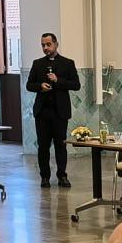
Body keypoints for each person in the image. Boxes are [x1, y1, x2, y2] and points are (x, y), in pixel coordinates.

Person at [26, 32, 80, 188]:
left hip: (60, 112)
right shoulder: (37, 64)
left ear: (56, 44)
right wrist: (40, 86)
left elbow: (76, 85)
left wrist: (58, 80)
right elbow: (29, 85)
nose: (45, 48)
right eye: (43, 45)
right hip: (42, 112)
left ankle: (62, 175)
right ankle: (44, 177)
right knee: (43, 147)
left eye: (48, 44)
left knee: (60, 146)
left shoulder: (67, 63)